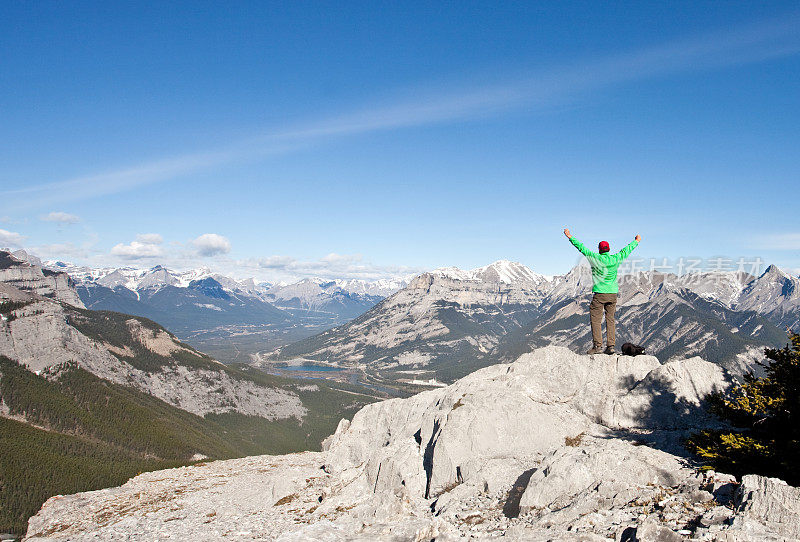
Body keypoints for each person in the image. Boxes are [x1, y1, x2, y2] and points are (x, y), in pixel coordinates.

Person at [564, 228, 641, 355]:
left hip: (599, 294)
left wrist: (570, 236)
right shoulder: (615, 258)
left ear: (599, 250)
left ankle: (597, 346)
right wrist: (636, 241)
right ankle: (610, 346)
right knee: (610, 320)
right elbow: (626, 250)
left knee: (595, 320)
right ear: (609, 249)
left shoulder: (594, 258)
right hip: (612, 294)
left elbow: (581, 248)